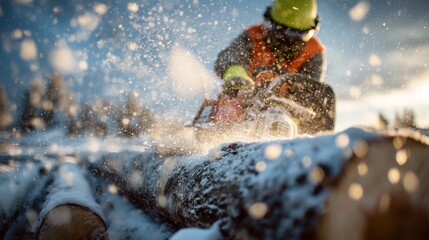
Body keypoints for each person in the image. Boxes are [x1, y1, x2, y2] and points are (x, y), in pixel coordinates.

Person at [194, 0, 335, 136]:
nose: (286, 43)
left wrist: (287, 113)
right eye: (280, 34)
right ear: (270, 24)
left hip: (287, 112)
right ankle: (214, 131)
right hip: (243, 98)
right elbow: (228, 59)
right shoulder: (252, 36)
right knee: (228, 109)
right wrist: (237, 79)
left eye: (296, 36)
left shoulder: (313, 53)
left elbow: (308, 96)